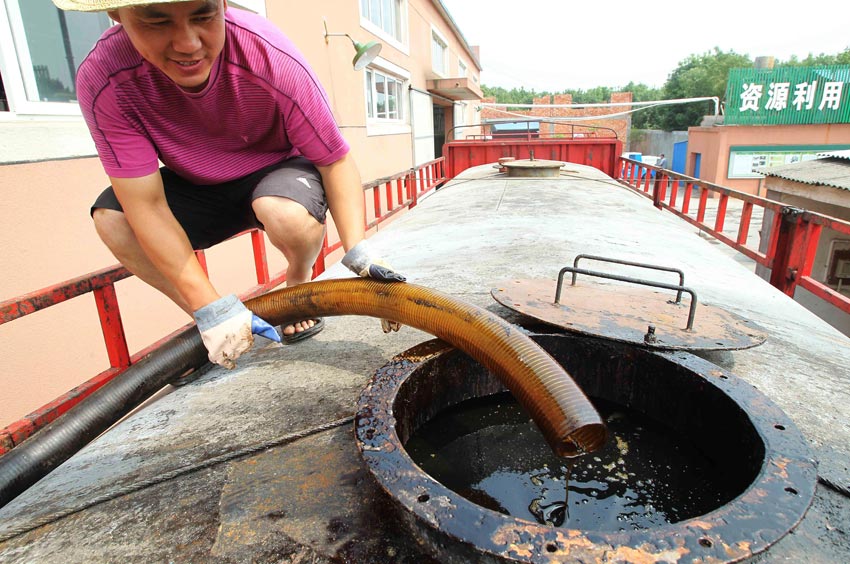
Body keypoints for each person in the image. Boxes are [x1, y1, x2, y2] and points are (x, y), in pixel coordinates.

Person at [53, 0, 404, 369]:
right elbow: (146, 204)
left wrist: (359, 253)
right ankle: (209, 317)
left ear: (222, 4)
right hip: (197, 181)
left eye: (203, 16)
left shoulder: (268, 54)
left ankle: (297, 282)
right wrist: (209, 307)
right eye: (157, 22)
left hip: (276, 169)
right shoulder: (105, 77)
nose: (188, 43)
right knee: (113, 218)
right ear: (116, 16)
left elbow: (333, 160)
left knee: (286, 214)